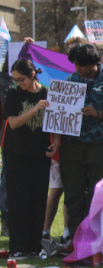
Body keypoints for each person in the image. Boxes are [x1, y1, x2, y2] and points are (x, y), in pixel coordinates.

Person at [61, 43, 103, 247]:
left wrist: (99, 114)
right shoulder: (70, 80)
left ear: (94, 63)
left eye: (83, 65)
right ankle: (74, 241)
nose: (79, 69)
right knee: (73, 195)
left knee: (97, 196)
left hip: (100, 146)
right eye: (76, 65)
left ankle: (95, 241)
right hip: (72, 146)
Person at [4, 60, 54, 259]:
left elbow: (57, 120)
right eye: (15, 79)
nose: (18, 83)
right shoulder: (13, 94)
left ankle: (34, 246)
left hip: (40, 154)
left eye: (21, 79)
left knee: (38, 198)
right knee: (18, 200)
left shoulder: (48, 93)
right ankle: (18, 246)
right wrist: (35, 109)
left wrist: (56, 142)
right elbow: (13, 123)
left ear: (33, 74)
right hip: (16, 153)